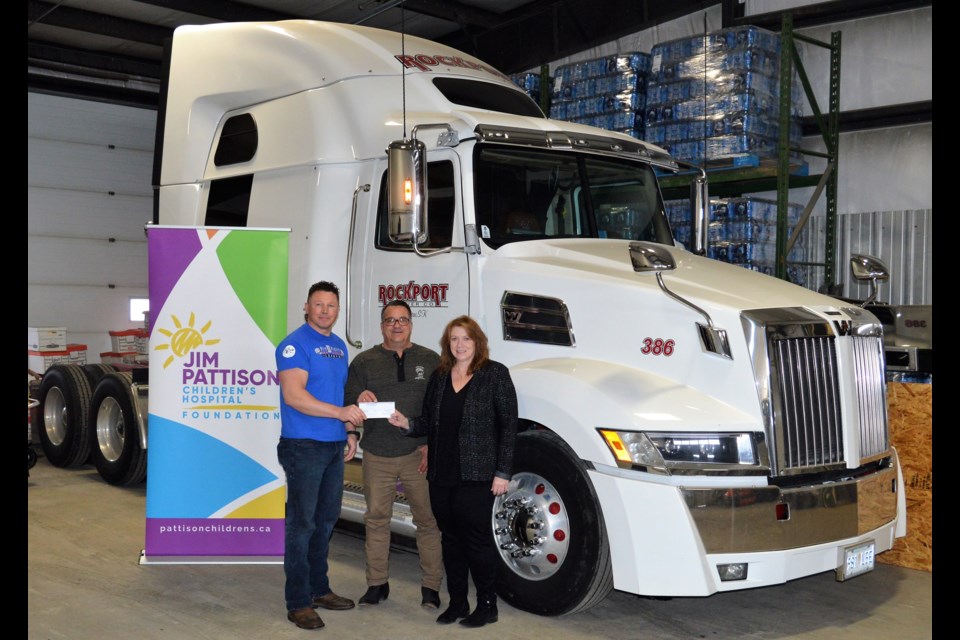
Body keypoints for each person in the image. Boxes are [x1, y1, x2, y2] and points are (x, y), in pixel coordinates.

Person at [388, 315, 518, 628]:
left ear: (477, 342)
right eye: (454, 339)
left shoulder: (495, 374)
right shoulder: (440, 375)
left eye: (466, 339)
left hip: (477, 474)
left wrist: (503, 472)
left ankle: (488, 605)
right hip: (441, 473)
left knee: (477, 541)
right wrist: (406, 424)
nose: (459, 345)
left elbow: (509, 427)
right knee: (451, 540)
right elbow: (427, 421)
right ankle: (458, 602)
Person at [276, 280, 367, 630]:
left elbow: (339, 394)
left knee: (326, 521)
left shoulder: (338, 347)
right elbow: (295, 396)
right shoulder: (293, 345)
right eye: (319, 304)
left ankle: (319, 589)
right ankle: (298, 600)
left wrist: (349, 431)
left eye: (331, 305)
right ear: (306, 307)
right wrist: (340, 415)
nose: (325, 310)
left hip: (332, 446)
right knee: (302, 524)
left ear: (337, 310)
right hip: (303, 446)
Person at [345, 300, 443, 610]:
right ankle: (376, 584)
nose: (396, 325)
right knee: (376, 520)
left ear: (411, 324)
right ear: (382, 326)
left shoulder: (431, 360)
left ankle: (431, 587)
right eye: (390, 320)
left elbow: (439, 408)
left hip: (419, 454)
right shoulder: (364, 361)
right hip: (377, 455)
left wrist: (431, 442)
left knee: (427, 521)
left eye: (402, 320)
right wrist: (358, 398)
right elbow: (349, 402)